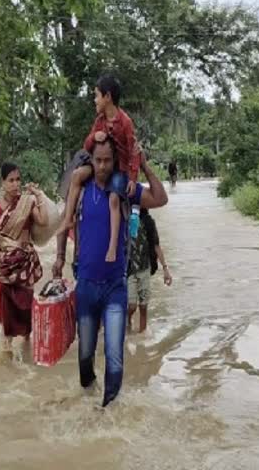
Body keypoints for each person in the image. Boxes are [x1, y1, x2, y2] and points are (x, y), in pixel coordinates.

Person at [53, 135, 168, 407]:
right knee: (85, 354)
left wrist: (144, 166)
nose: (103, 166)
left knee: (115, 354)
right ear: (91, 161)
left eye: (107, 160)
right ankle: (88, 397)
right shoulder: (81, 189)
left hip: (115, 287)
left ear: (115, 161)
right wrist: (59, 257)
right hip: (86, 286)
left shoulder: (124, 190)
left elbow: (160, 198)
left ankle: (110, 412)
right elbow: (64, 222)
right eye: (98, 160)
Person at [59, 75, 141, 263]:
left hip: (117, 168)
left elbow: (133, 150)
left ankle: (113, 246)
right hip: (96, 164)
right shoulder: (99, 120)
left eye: (96, 96)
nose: (95, 100)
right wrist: (94, 136)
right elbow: (87, 145)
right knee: (77, 175)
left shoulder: (126, 122)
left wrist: (133, 178)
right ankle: (68, 218)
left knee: (114, 198)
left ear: (108, 97)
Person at [0, 162, 49, 355]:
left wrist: (38, 195)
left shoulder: (27, 202)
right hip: (5, 267)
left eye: (18, 179)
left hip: (24, 265)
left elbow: (44, 221)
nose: (15, 184)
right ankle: (7, 356)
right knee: (6, 316)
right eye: (11, 180)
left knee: (25, 313)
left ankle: (27, 353)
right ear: (3, 183)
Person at [127, 208, 172, 333]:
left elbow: (156, 246)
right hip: (129, 270)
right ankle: (127, 319)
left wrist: (165, 269)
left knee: (143, 306)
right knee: (131, 305)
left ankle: (141, 336)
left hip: (145, 268)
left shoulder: (148, 221)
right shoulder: (124, 218)